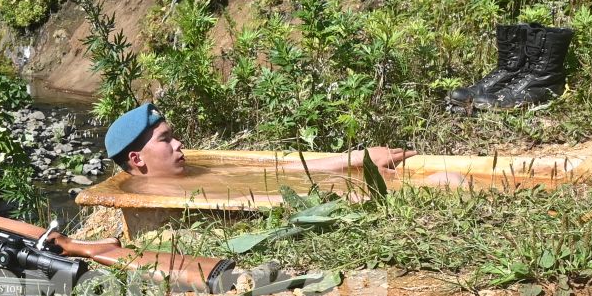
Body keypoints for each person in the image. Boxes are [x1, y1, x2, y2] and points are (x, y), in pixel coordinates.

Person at [102, 101, 413, 179]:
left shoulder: (190, 173)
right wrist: (355, 159)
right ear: (137, 159)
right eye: (165, 139)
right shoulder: (165, 189)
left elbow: (263, 173)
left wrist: (357, 158)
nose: (179, 143)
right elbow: (270, 178)